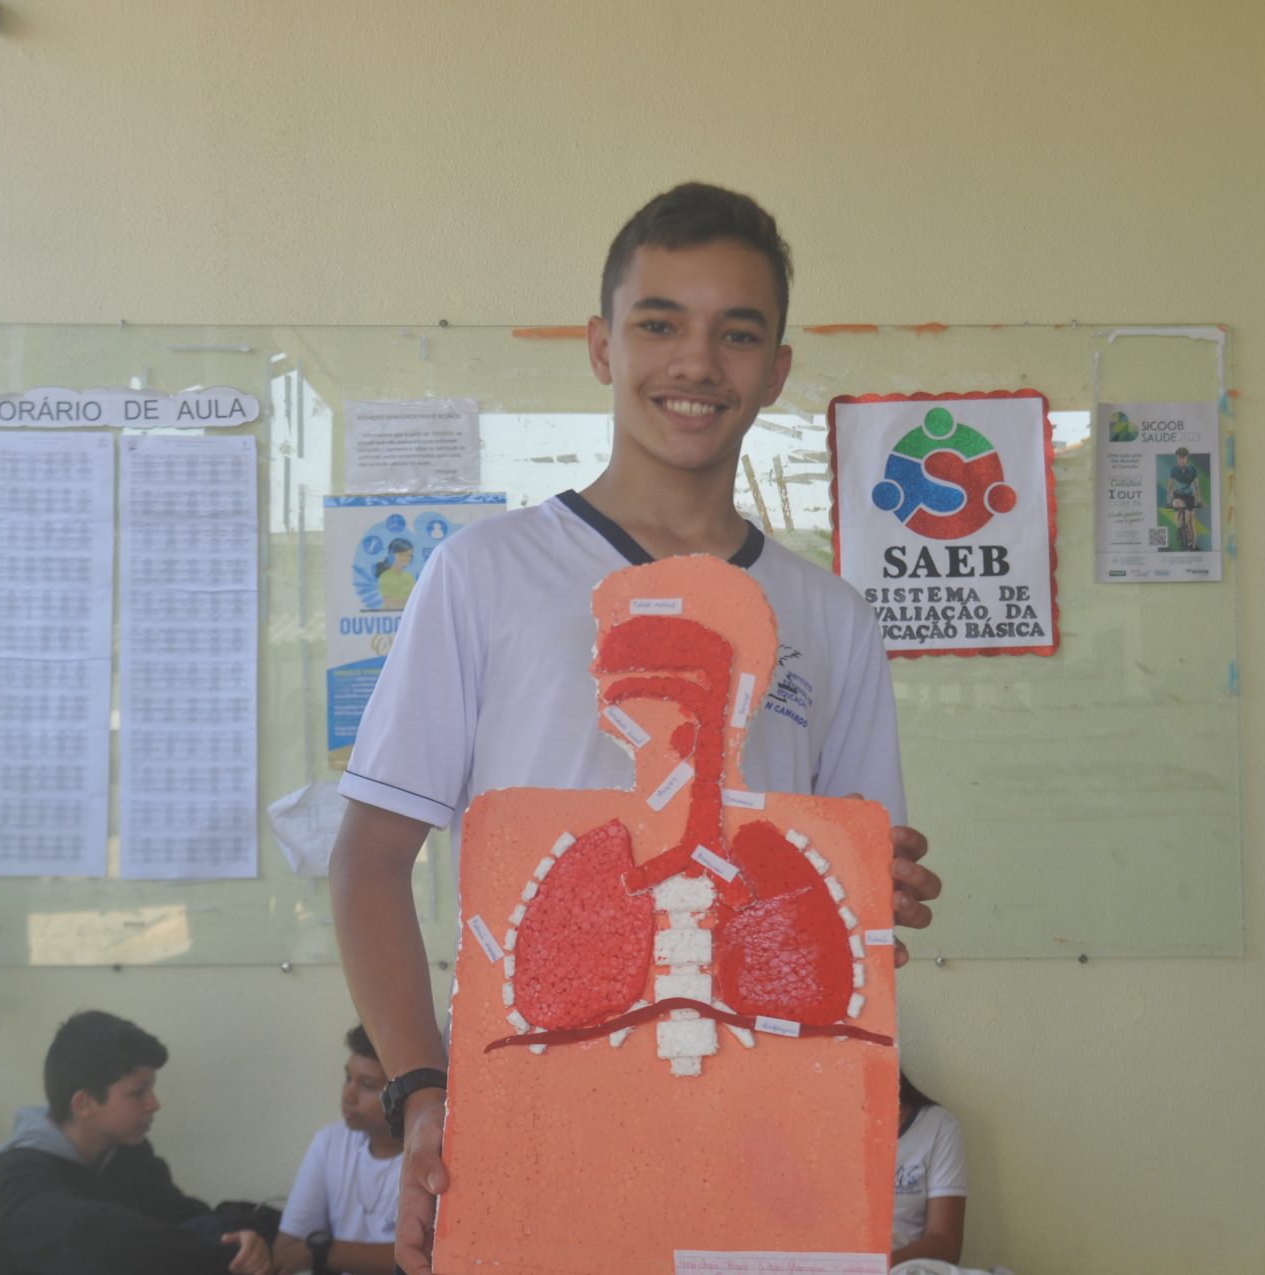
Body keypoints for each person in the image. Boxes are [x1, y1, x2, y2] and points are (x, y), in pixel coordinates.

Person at [329, 181, 943, 1275]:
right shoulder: (486, 576)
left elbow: (857, 905)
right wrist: (424, 1093)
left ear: (777, 370)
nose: (696, 362)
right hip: (532, 1149)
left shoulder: (831, 620)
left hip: (764, 1164)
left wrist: (866, 893)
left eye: (736, 333)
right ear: (602, 346)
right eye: (660, 323)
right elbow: (370, 861)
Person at [0, 1011, 274, 1275]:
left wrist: (239, 1237)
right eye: (138, 1092)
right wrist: (225, 1254)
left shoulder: (127, 1152)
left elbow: (179, 1216)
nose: (154, 1104)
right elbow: (104, 1245)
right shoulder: (20, 1182)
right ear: (84, 1104)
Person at [271, 1026, 402, 1275]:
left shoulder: (431, 1156)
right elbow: (288, 1248)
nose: (348, 1095)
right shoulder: (330, 1141)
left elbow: (427, 1259)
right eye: (348, 1078)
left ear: (404, 1095)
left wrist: (323, 1252)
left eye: (367, 1085)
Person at [891, 1071, 968, 1267]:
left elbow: (945, 1244)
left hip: (904, 1268)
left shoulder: (938, 1126)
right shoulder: (822, 1128)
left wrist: (871, 1267)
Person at [373, 539, 415, 610]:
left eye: (408, 555)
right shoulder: (385, 576)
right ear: (391, 555)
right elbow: (389, 603)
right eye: (401, 555)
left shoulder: (409, 577)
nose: (405, 558)